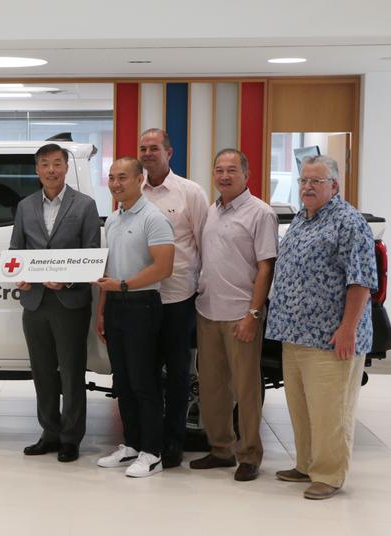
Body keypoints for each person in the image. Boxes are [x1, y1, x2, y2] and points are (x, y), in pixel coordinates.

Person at [266, 155, 376, 500]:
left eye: (317, 181)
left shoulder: (349, 221)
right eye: (304, 181)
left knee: (331, 409)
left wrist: (348, 329)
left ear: (334, 185)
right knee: (300, 406)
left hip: (331, 337)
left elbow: (361, 282)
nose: (308, 187)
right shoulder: (301, 219)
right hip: (295, 334)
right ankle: (306, 463)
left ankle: (329, 475)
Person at [189, 149, 278, 481]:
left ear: (246, 174)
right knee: (212, 388)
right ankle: (221, 449)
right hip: (208, 312)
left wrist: (254, 314)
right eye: (219, 170)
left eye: (231, 170)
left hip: (242, 315)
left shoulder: (260, 213)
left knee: (246, 389)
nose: (224, 176)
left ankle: (250, 454)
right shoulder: (211, 212)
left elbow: (266, 266)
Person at [9, 143, 101, 463]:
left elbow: (90, 255)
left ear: (66, 167)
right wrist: (18, 275)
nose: (51, 170)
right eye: (45, 164)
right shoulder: (25, 206)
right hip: (34, 301)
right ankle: (49, 432)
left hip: (69, 301)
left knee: (72, 372)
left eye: (57, 164)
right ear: (37, 170)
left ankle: (71, 437)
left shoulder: (85, 205)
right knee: (43, 372)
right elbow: (16, 250)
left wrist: (69, 280)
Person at [95, 157, 174, 478]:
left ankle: (152, 451)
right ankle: (130, 444)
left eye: (122, 177)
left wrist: (124, 286)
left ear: (140, 179)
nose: (115, 183)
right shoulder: (112, 220)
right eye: (111, 177)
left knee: (145, 381)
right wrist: (101, 311)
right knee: (122, 381)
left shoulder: (154, 219)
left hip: (142, 305)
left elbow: (163, 267)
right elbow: (107, 272)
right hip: (115, 305)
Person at [138, 128, 208, 468]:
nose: (148, 153)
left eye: (154, 148)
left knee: (178, 375)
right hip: (140, 296)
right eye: (143, 148)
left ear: (170, 152)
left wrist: (201, 287)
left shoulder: (190, 192)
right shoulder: (132, 189)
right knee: (146, 373)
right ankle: (146, 440)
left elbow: (205, 242)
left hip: (178, 295)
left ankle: (174, 442)